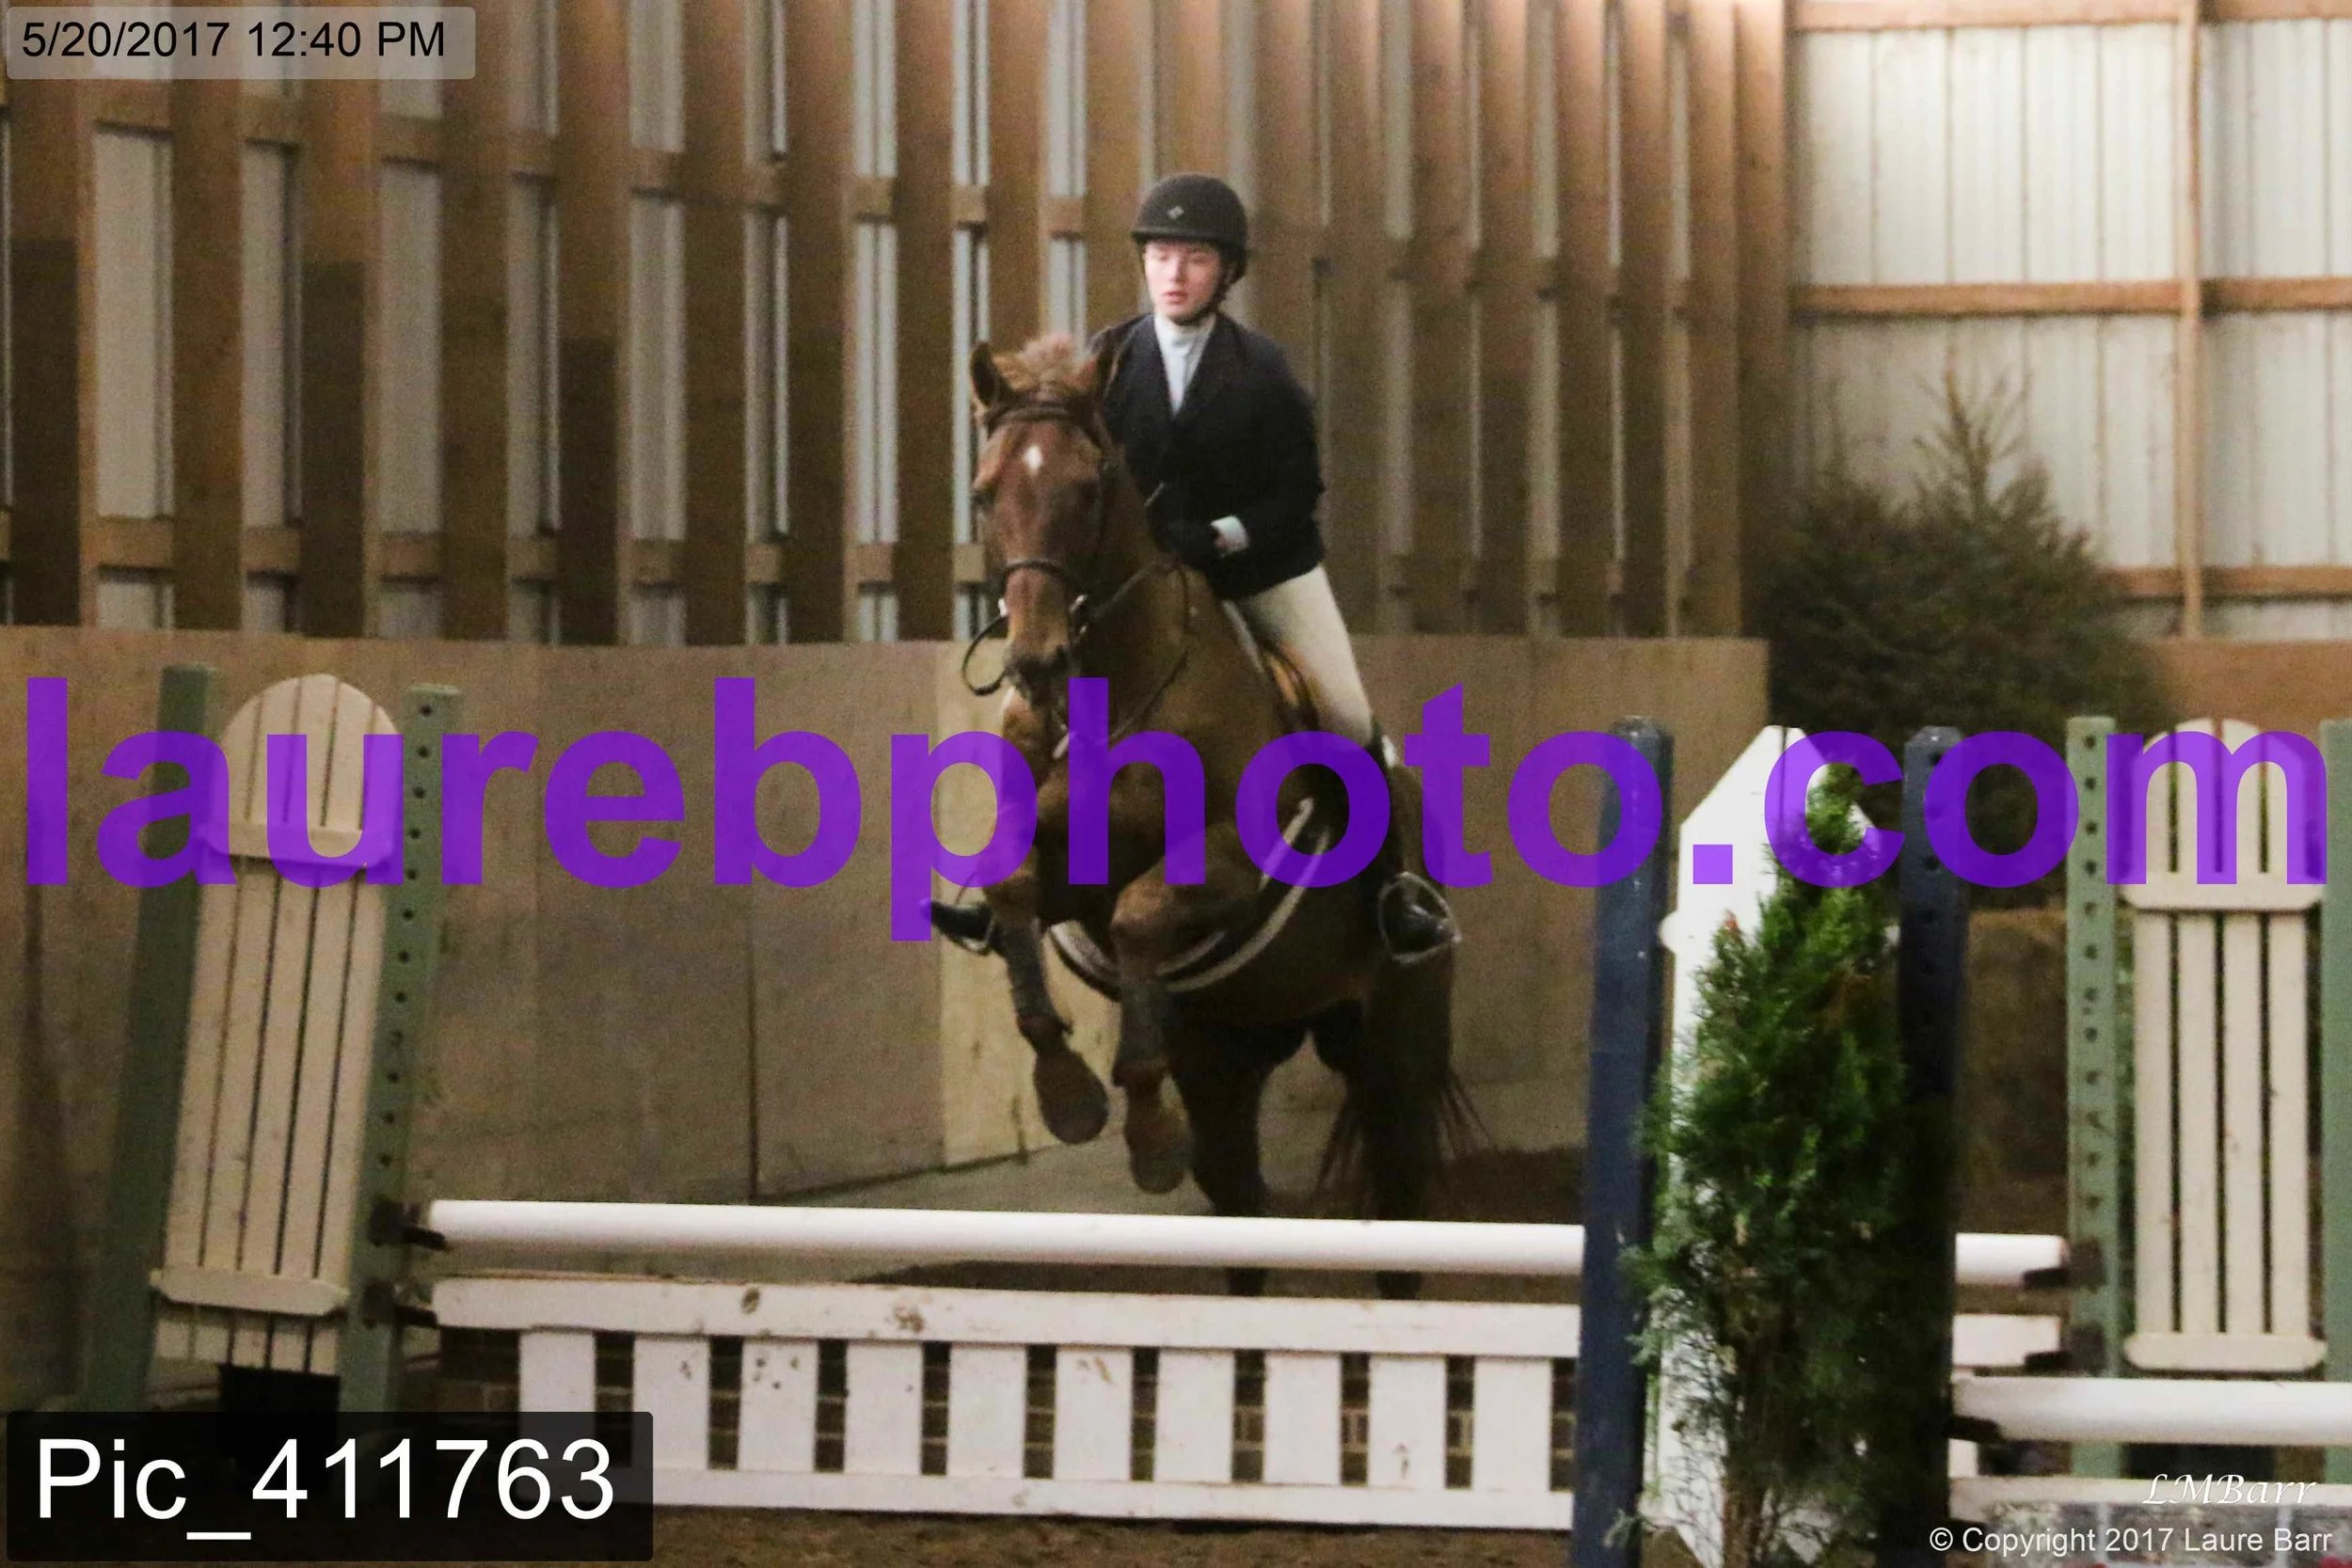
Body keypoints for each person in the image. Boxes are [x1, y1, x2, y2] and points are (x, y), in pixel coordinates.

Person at [1085, 171, 1458, 965]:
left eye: (1195, 259)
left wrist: (1220, 537)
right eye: (1161, 256)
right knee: (1043, 690)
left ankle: (1392, 889)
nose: (1175, 274)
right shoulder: (1108, 361)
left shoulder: (1261, 370)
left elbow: (1297, 494)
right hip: (1146, 587)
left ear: (1226, 272)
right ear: (1143, 262)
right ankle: (1012, 888)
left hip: (1258, 571)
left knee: (1346, 713)